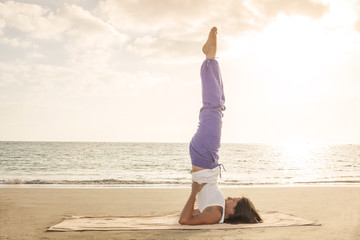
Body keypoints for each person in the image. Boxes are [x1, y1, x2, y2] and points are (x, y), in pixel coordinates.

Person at [178, 27, 263, 225]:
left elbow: (184, 220)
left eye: (234, 201)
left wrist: (193, 192)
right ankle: (210, 57)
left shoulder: (216, 214)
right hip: (207, 158)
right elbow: (195, 213)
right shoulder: (217, 210)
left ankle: (210, 57)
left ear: (233, 211)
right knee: (218, 106)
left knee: (214, 107)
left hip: (204, 156)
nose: (231, 198)